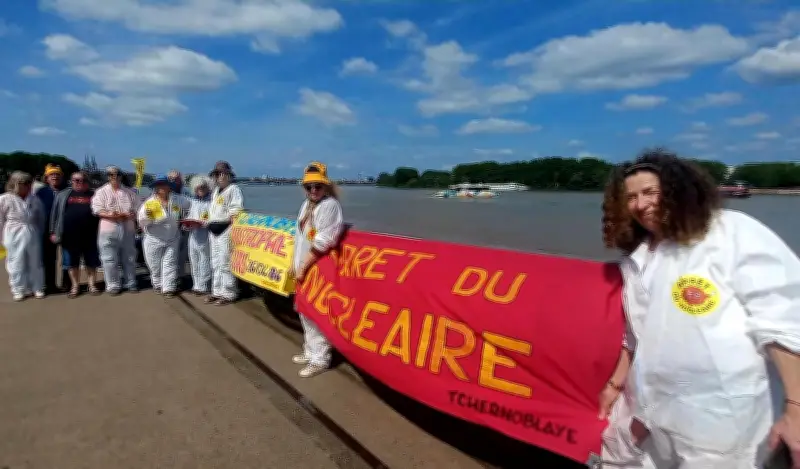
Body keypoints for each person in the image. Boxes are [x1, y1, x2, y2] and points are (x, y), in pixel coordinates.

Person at [599, 149, 800, 469]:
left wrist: (796, 407)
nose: (640, 204)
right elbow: (636, 333)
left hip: (721, 415)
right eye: (631, 197)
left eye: (650, 192)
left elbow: (783, 321)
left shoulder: (730, 231)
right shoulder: (639, 257)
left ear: (679, 190)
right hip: (650, 407)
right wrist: (615, 385)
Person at [290, 162, 344, 378]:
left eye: (318, 186)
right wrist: (294, 263)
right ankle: (310, 351)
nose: (313, 190)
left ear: (326, 186)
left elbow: (323, 241)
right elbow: (299, 237)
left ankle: (320, 359)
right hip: (304, 264)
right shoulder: (307, 205)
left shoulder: (330, 206)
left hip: (318, 266)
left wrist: (303, 266)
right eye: (309, 186)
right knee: (304, 311)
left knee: (315, 313)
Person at [50, 171, 101, 298]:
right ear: (71, 181)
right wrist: (52, 231)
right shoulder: (63, 194)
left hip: (90, 235)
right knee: (71, 263)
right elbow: (54, 215)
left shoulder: (94, 194)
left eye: (83, 180)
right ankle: (75, 286)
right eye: (76, 180)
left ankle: (92, 285)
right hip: (69, 236)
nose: (80, 182)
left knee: (91, 262)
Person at [91, 165, 140, 296]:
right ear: (107, 177)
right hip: (108, 229)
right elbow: (97, 210)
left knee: (129, 257)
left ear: (121, 176)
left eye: (117, 174)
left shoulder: (130, 192)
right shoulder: (101, 192)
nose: (114, 177)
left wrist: (132, 214)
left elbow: (138, 208)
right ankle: (113, 285)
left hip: (127, 228)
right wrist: (111, 215)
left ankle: (131, 282)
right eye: (111, 175)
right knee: (108, 259)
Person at [137, 175, 188, 298]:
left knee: (170, 263)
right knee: (154, 266)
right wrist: (148, 217)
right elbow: (141, 221)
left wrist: (188, 218)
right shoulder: (149, 203)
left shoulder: (178, 199)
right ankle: (158, 284)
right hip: (153, 239)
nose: (162, 187)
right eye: (159, 185)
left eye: (164, 184)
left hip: (172, 238)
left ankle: (169, 288)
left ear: (169, 186)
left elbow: (190, 207)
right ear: (155, 187)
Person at [0, 171, 46, 301]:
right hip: (13, 232)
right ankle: (18, 289)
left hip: (31, 231)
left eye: (29, 183)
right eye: (25, 183)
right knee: (16, 261)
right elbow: (0, 220)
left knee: (35, 261)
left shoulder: (34, 199)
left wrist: (39, 232)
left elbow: (40, 218)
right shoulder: (4, 198)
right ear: (16, 184)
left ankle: (37, 287)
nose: (28, 186)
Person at [205, 161, 243, 306]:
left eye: (222, 174)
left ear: (228, 175)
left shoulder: (234, 189)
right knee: (215, 262)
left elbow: (236, 210)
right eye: (217, 174)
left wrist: (233, 229)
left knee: (225, 261)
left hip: (226, 229)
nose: (220, 177)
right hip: (213, 229)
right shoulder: (215, 191)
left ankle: (229, 293)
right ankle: (217, 291)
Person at [36, 164, 64, 293]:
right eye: (52, 175)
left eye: (57, 175)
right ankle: (49, 284)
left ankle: (67, 284)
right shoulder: (40, 193)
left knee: (66, 258)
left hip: (64, 228)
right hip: (46, 230)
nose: (55, 177)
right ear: (46, 178)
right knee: (48, 259)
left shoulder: (66, 190)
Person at [186, 175, 212, 296]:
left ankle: (203, 286)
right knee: (194, 259)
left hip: (205, 234)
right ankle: (196, 285)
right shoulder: (194, 201)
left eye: (202, 187)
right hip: (193, 234)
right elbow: (190, 215)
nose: (200, 190)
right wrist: (186, 224)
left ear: (207, 187)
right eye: (198, 188)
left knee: (204, 260)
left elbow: (214, 218)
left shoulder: (211, 201)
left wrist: (204, 223)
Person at [168, 169, 190, 281]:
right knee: (170, 255)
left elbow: (192, 208)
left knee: (182, 254)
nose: (173, 181)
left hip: (184, 228)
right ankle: (170, 278)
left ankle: (180, 277)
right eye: (171, 179)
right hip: (169, 229)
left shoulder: (187, 193)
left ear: (180, 180)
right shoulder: (165, 192)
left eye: (176, 179)